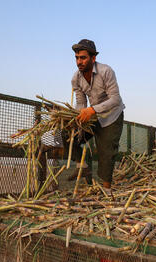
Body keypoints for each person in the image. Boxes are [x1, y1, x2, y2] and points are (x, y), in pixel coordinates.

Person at [67, 39, 125, 194]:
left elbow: (115, 99)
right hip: (92, 116)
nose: (79, 61)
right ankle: (82, 167)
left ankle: (107, 190)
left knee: (106, 151)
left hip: (112, 115)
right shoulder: (76, 78)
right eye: (77, 58)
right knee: (68, 135)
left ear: (93, 58)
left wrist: (92, 110)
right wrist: (78, 117)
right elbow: (80, 102)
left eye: (83, 58)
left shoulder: (106, 71)